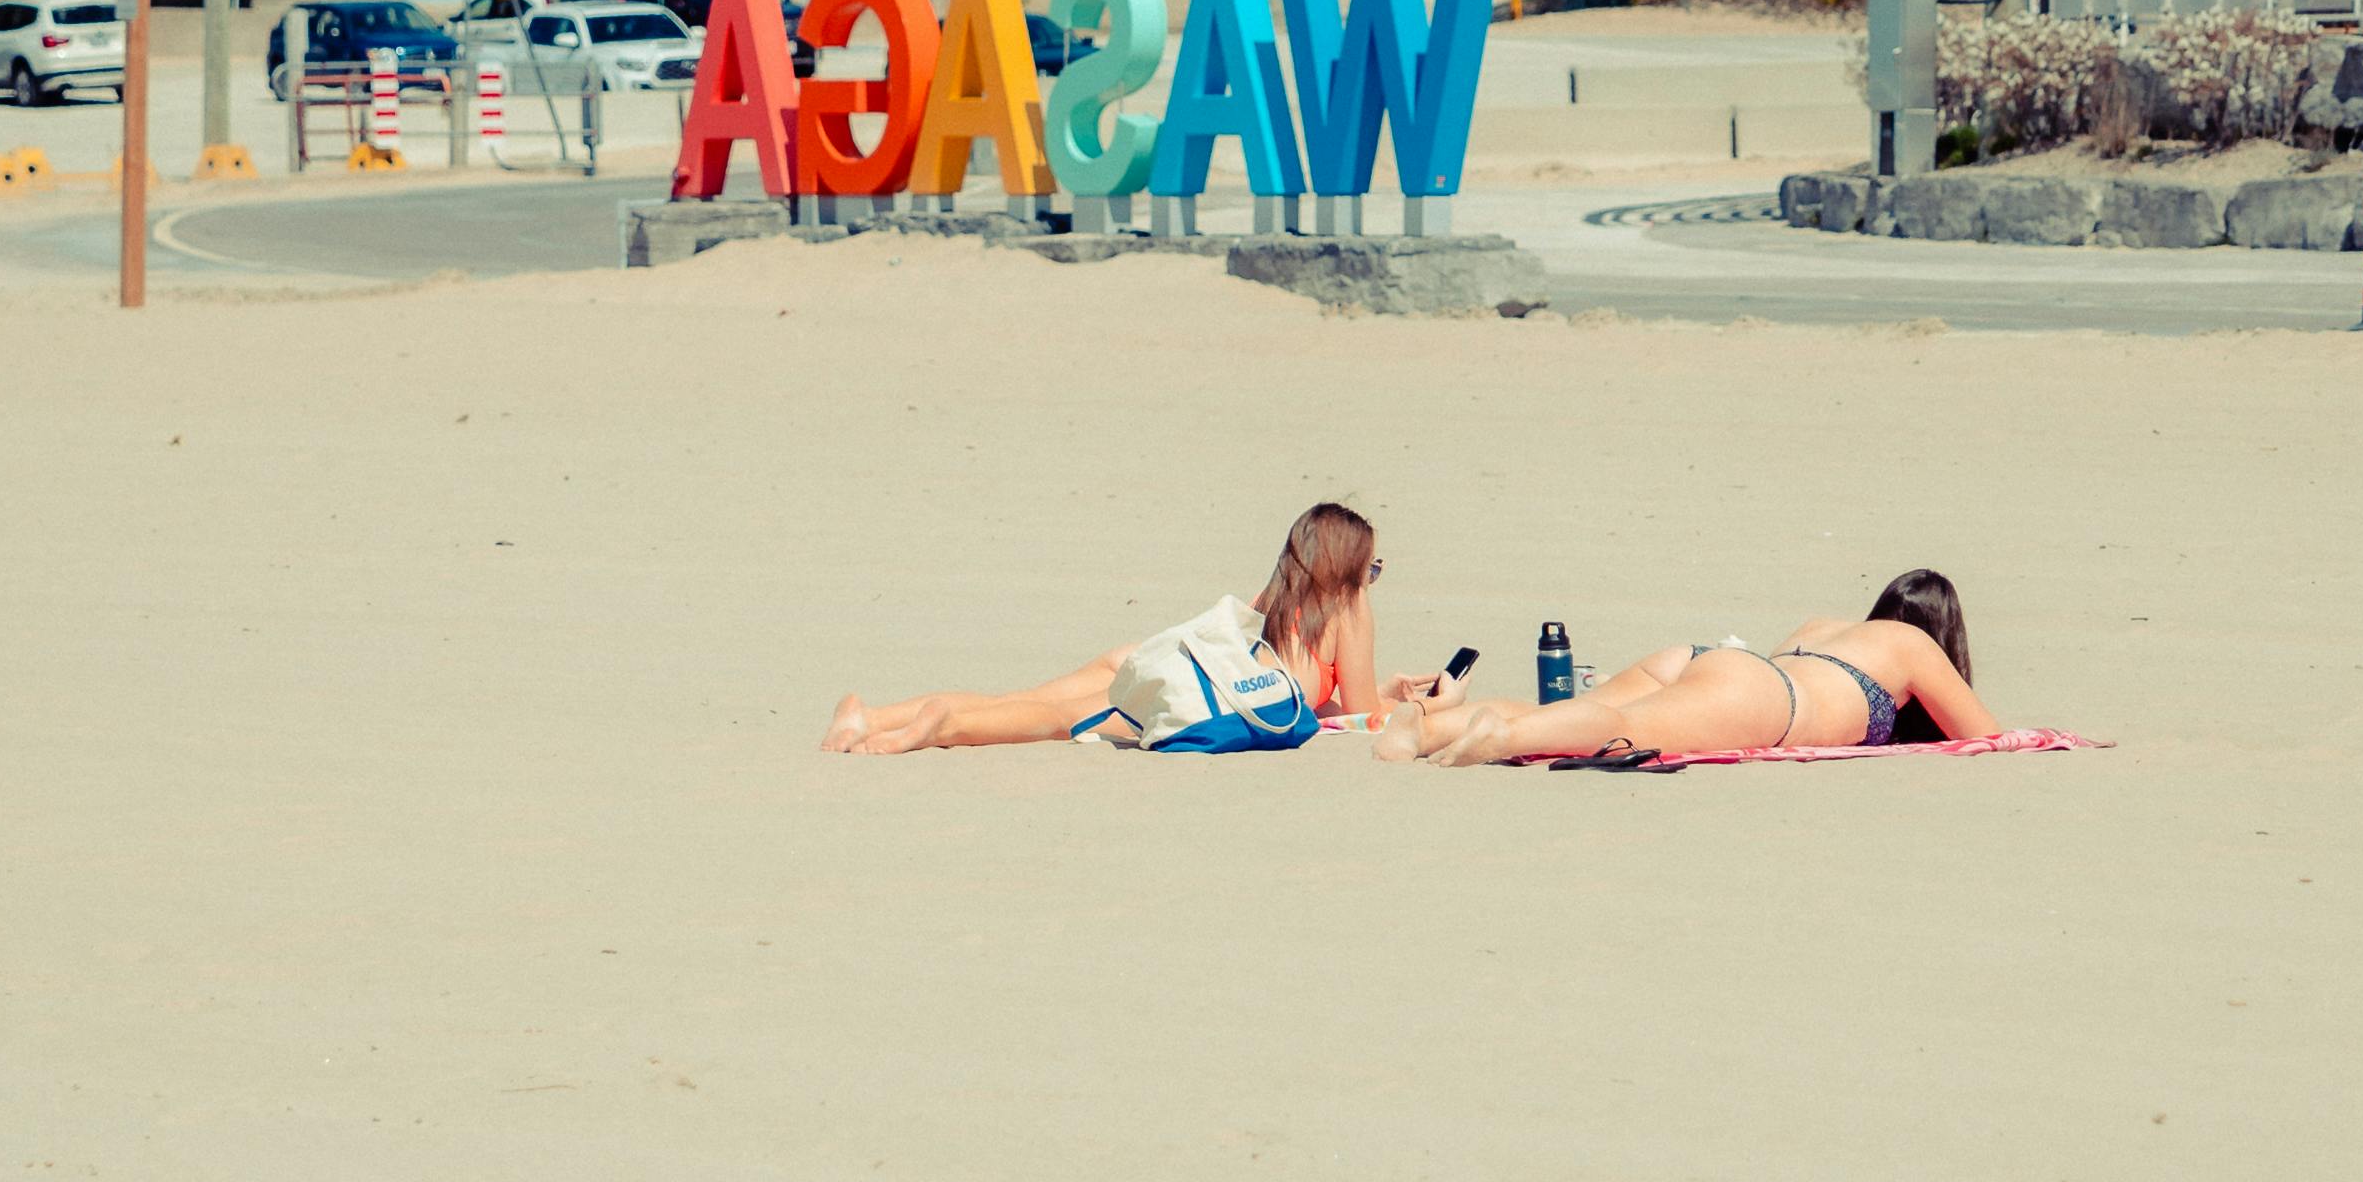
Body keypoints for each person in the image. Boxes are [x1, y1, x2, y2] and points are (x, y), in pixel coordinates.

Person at [824, 499, 1449, 757]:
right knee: (1056, 720)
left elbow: (1318, 688)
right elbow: (1362, 714)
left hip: (1171, 652)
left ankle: (869, 717)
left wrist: (1385, 689)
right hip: (1197, 690)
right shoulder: (1348, 606)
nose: (1373, 575)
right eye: (1372, 565)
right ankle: (943, 725)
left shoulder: (1278, 591)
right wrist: (1404, 704)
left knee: (1030, 697)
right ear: (1348, 566)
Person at [1374, 564, 1997, 767]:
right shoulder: (1915, 647)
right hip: (1765, 698)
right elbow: (1983, 736)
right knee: (1621, 729)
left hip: (1714, 662)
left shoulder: (1823, 627)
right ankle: (1501, 738)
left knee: (1574, 710)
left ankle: (1429, 728)